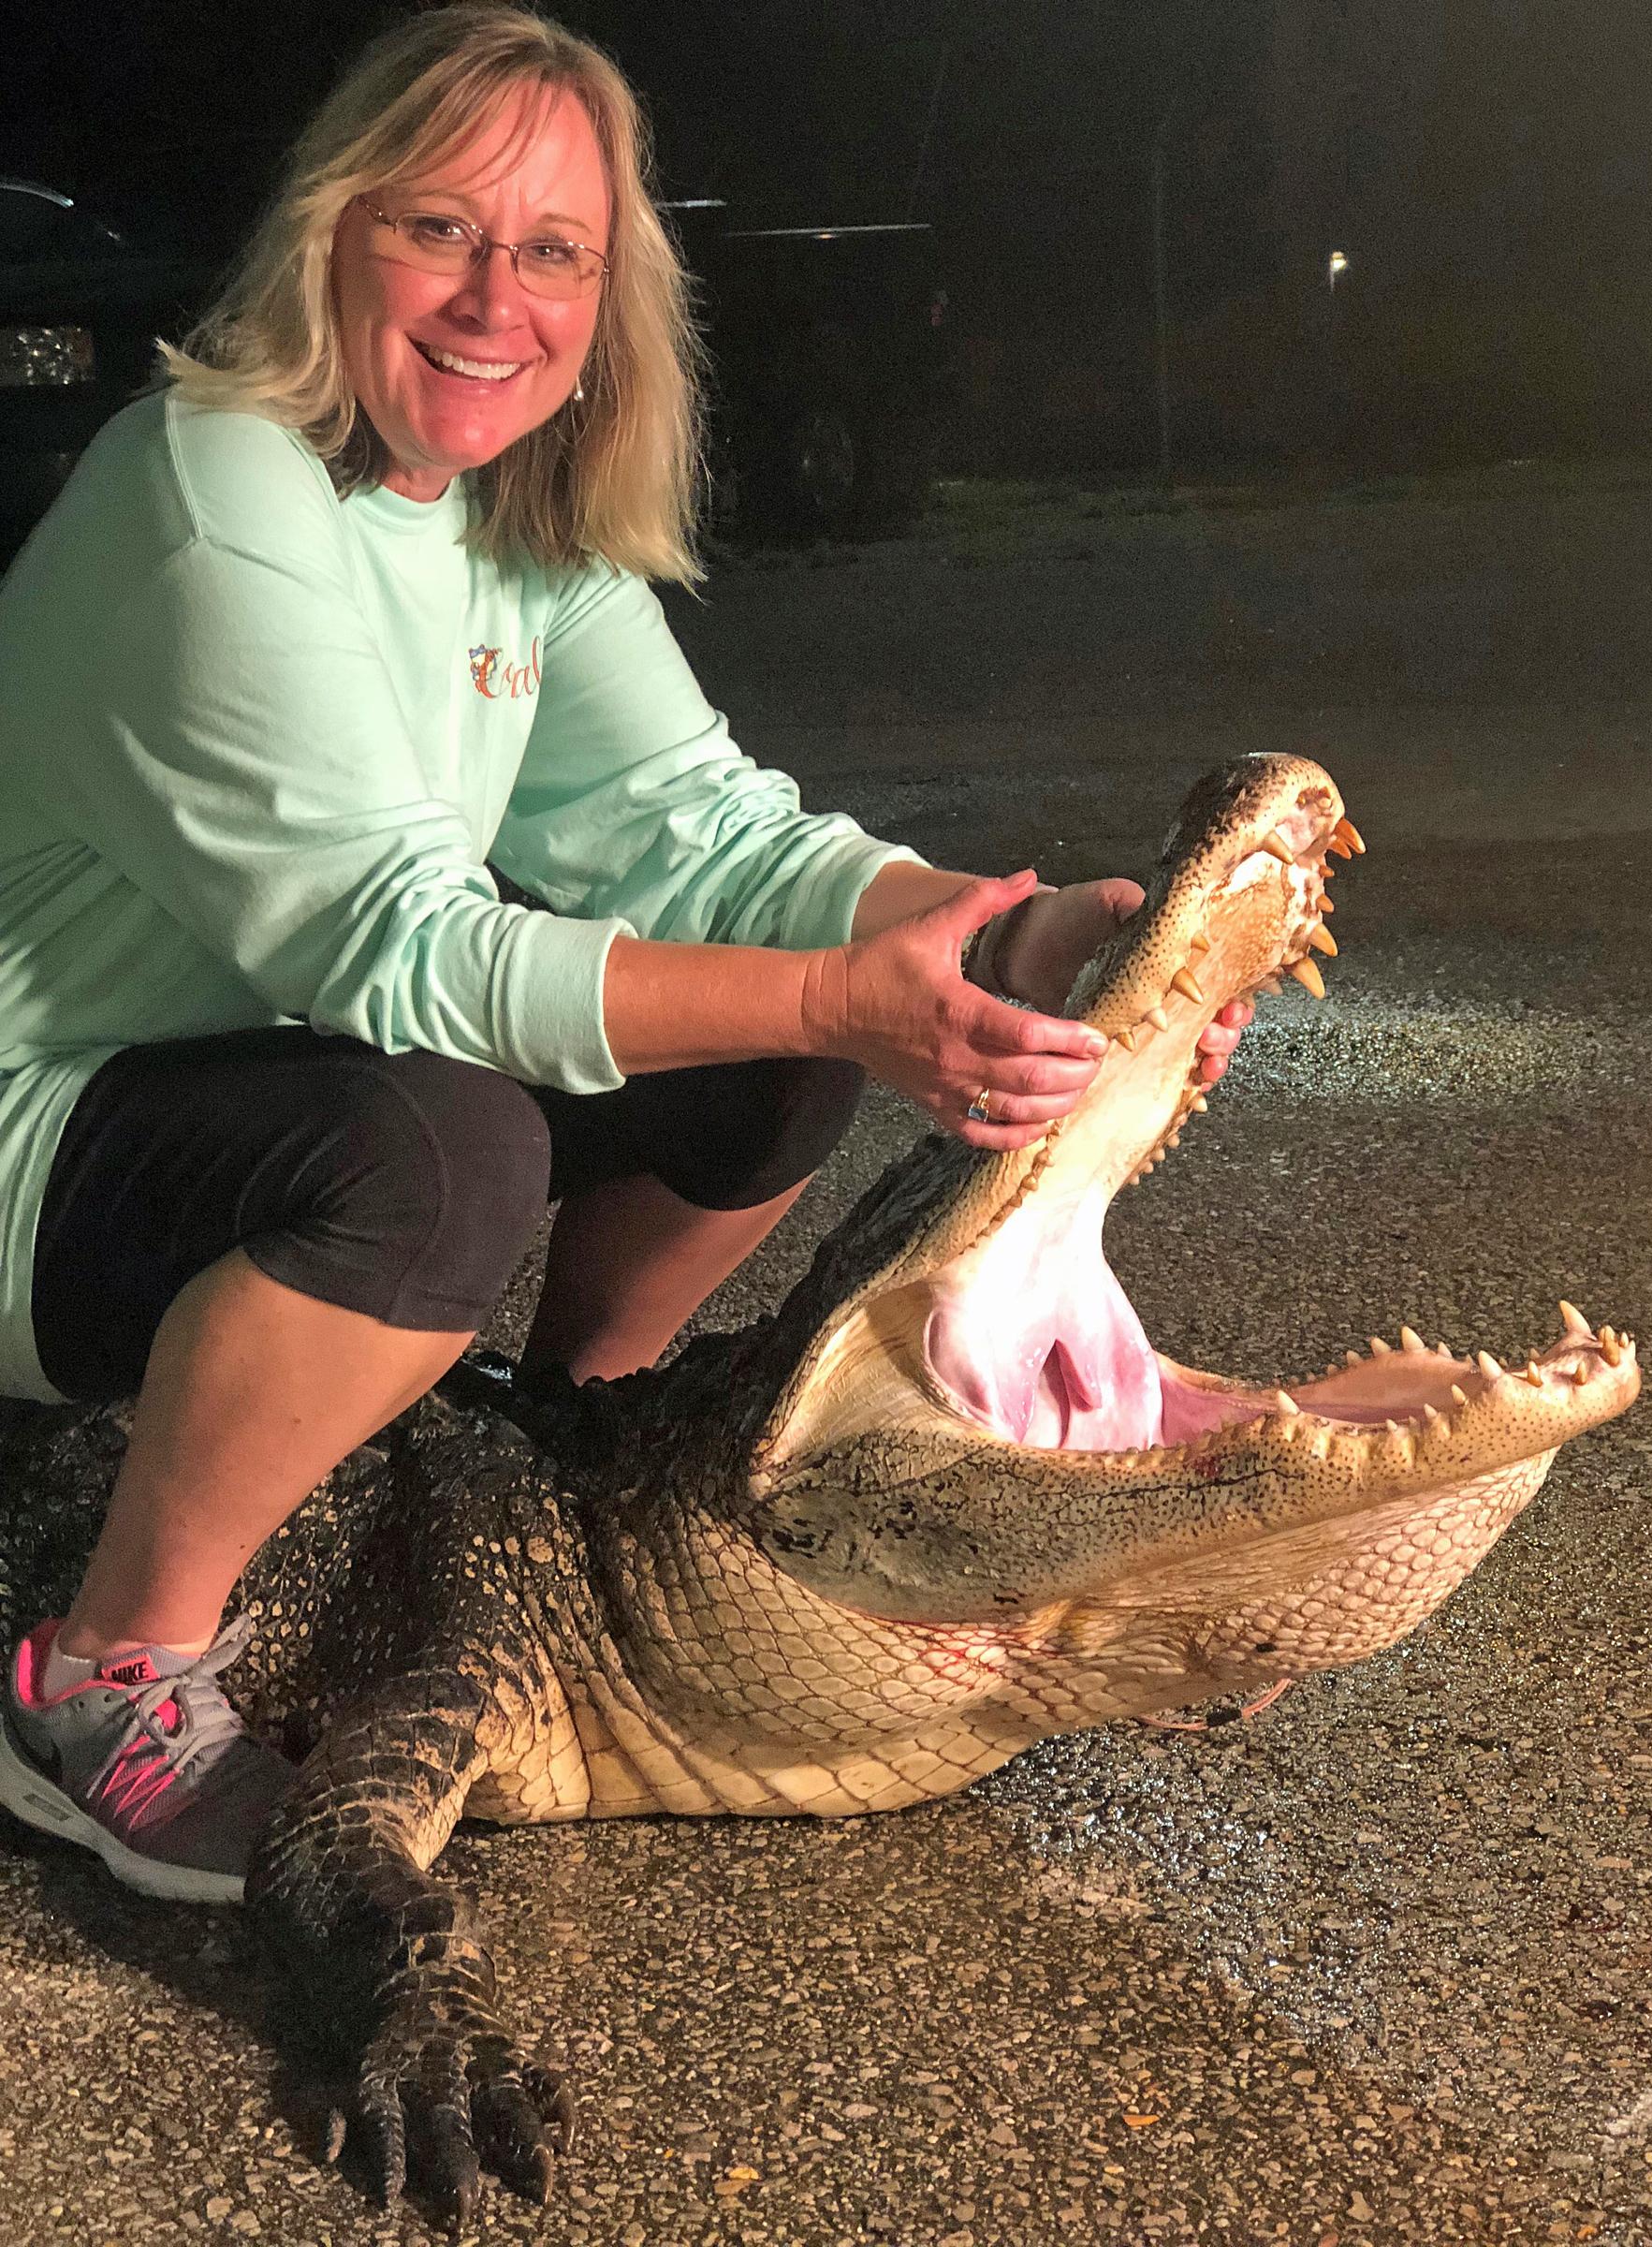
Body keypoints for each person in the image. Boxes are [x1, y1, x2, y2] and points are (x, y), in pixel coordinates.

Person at [0, 4, 1247, 1904]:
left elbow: (706, 835)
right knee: (443, 1157)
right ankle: (100, 1682)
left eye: (554, 252)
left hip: (225, 1080)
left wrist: (1014, 936)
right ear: (332, 234)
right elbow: (397, 951)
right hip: (35, 1140)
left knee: (762, 1049)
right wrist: (841, 995)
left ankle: (563, 1444)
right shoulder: (214, 484)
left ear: (609, 297)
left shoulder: (509, 520)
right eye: (440, 229)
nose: (496, 299)